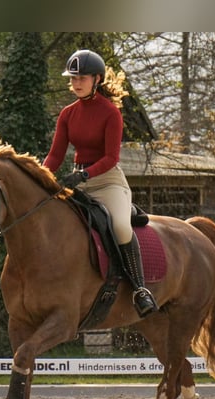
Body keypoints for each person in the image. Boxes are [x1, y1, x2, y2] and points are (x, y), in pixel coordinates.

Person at [43, 49, 158, 318]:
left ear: (97, 79)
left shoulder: (111, 113)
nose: (76, 83)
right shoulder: (67, 114)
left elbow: (110, 158)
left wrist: (84, 175)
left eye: (81, 77)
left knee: (119, 225)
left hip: (107, 182)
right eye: (73, 78)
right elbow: (56, 155)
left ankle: (140, 290)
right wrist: (42, 178)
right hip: (78, 182)